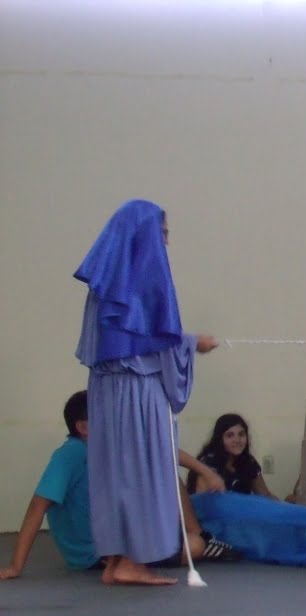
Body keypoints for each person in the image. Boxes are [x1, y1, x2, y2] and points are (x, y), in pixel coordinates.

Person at [74, 200, 218, 586]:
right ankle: (132, 561)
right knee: (142, 472)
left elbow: (128, 339)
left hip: (107, 392)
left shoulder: (107, 283)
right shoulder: (146, 280)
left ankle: (116, 560)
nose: (166, 243)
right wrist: (194, 343)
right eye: (163, 234)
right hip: (137, 392)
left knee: (117, 473)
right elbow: (156, 343)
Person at [1, 391, 238, 580]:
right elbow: (38, 506)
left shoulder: (108, 447)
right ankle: (197, 540)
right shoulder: (71, 455)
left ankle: (198, 534)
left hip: (117, 536)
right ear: (83, 428)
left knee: (169, 475)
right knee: (195, 547)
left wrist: (205, 471)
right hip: (95, 552)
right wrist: (15, 566)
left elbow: (161, 450)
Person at [187, 413, 278, 498]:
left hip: (243, 510)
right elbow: (202, 503)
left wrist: (283, 507)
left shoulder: (250, 462)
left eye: (241, 434)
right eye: (230, 435)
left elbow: (265, 495)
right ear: (220, 439)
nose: (237, 440)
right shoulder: (208, 463)